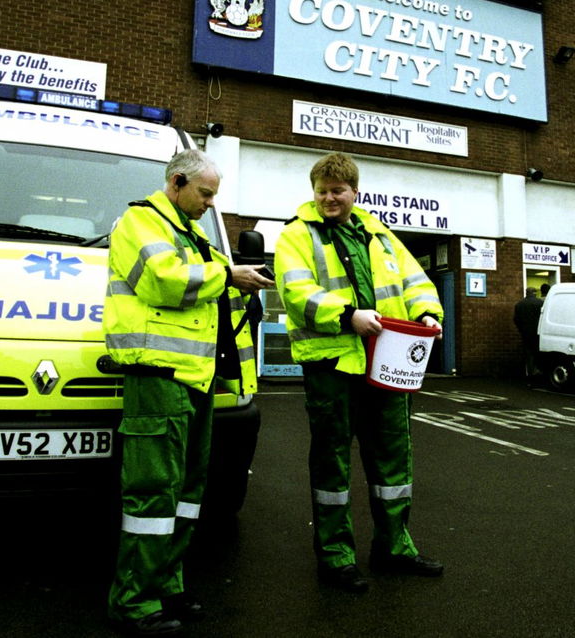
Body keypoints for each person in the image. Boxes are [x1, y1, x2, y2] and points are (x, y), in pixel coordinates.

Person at [102, 150, 272, 636]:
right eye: (206, 193)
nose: (210, 204)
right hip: (158, 375)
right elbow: (163, 282)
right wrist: (229, 276)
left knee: (186, 493)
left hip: (192, 379)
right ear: (177, 182)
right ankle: (133, 601)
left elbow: (216, 282)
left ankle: (166, 585)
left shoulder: (191, 234)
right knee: (154, 490)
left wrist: (245, 281)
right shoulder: (140, 222)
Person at [274, 152, 445, 593]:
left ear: (355, 192)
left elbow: (415, 280)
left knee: (393, 456)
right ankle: (336, 557)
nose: (329, 198)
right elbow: (296, 292)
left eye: (337, 190)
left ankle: (395, 547)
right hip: (332, 364)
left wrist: (427, 312)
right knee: (331, 461)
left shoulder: (380, 234)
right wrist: (348, 314)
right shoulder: (296, 235)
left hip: (385, 362)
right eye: (322, 191)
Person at [513, 286, 544, 380]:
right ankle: (538, 372)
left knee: (528, 354)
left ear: (526, 293)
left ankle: (529, 374)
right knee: (538, 353)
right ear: (535, 293)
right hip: (538, 333)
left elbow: (516, 319)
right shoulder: (540, 303)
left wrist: (521, 329)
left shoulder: (519, 304)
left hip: (525, 333)